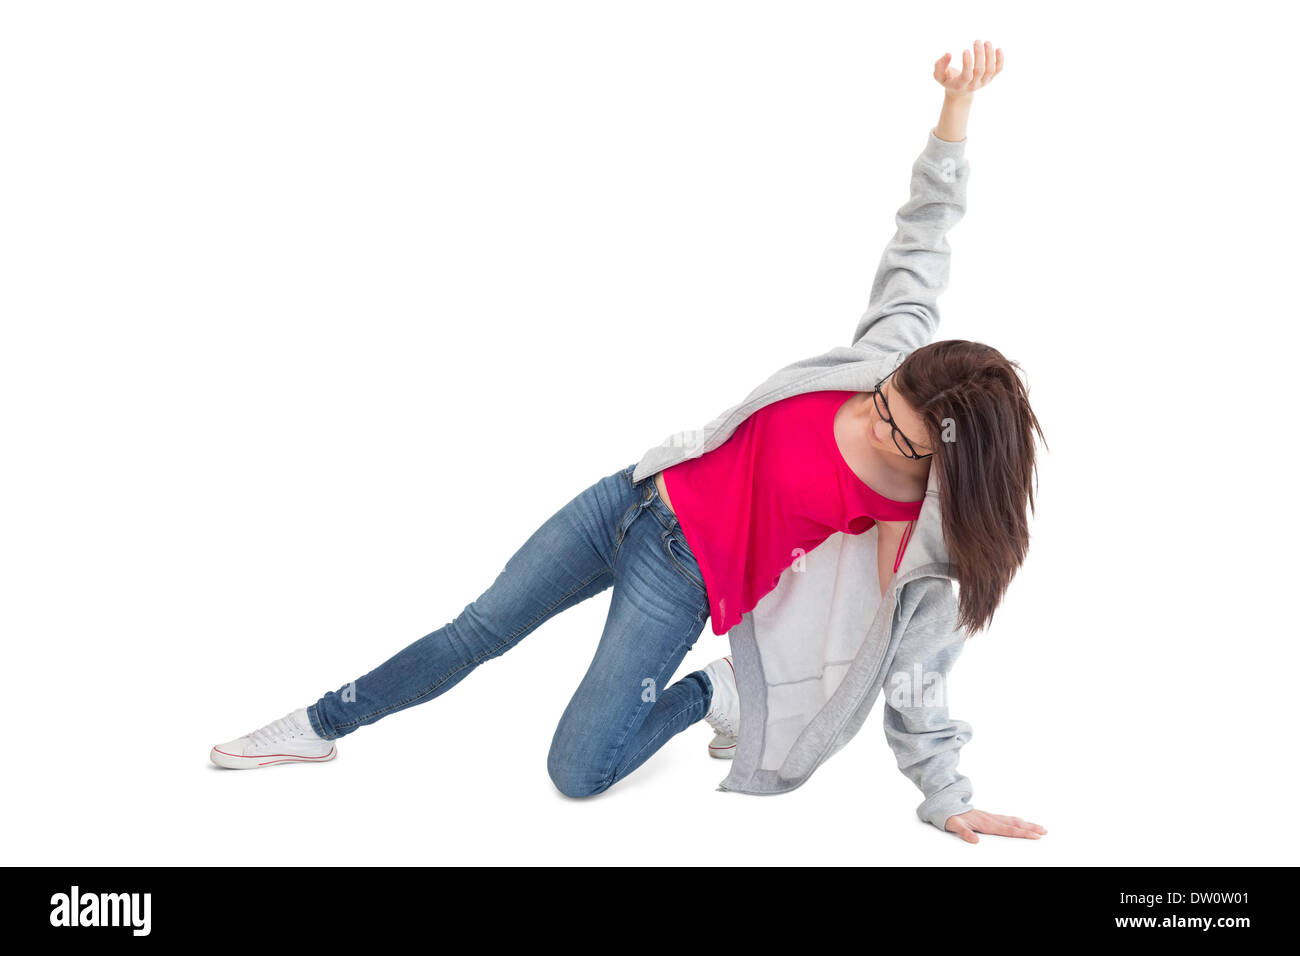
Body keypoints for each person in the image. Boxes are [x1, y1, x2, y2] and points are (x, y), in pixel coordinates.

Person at [211, 40, 1048, 844]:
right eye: (879, 398)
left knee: (578, 772)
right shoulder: (887, 359)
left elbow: (919, 682)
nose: (869, 418)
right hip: (634, 494)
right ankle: (322, 723)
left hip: (682, 579)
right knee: (478, 629)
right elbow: (922, 238)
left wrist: (947, 796)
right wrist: (955, 107)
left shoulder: (924, 545)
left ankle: (708, 696)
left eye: (894, 433)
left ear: (938, 463)